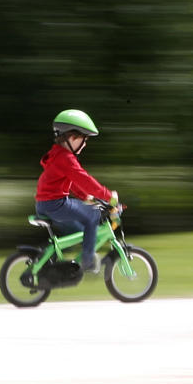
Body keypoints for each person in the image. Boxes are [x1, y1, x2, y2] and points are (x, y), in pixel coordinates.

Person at [35, 109, 118, 273]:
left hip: (46, 204)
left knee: (83, 226)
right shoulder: (66, 158)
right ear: (72, 138)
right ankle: (87, 261)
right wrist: (109, 196)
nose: (85, 144)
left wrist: (85, 197)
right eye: (84, 139)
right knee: (93, 215)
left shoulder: (57, 155)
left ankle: (67, 259)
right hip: (56, 204)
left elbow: (71, 183)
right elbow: (85, 180)